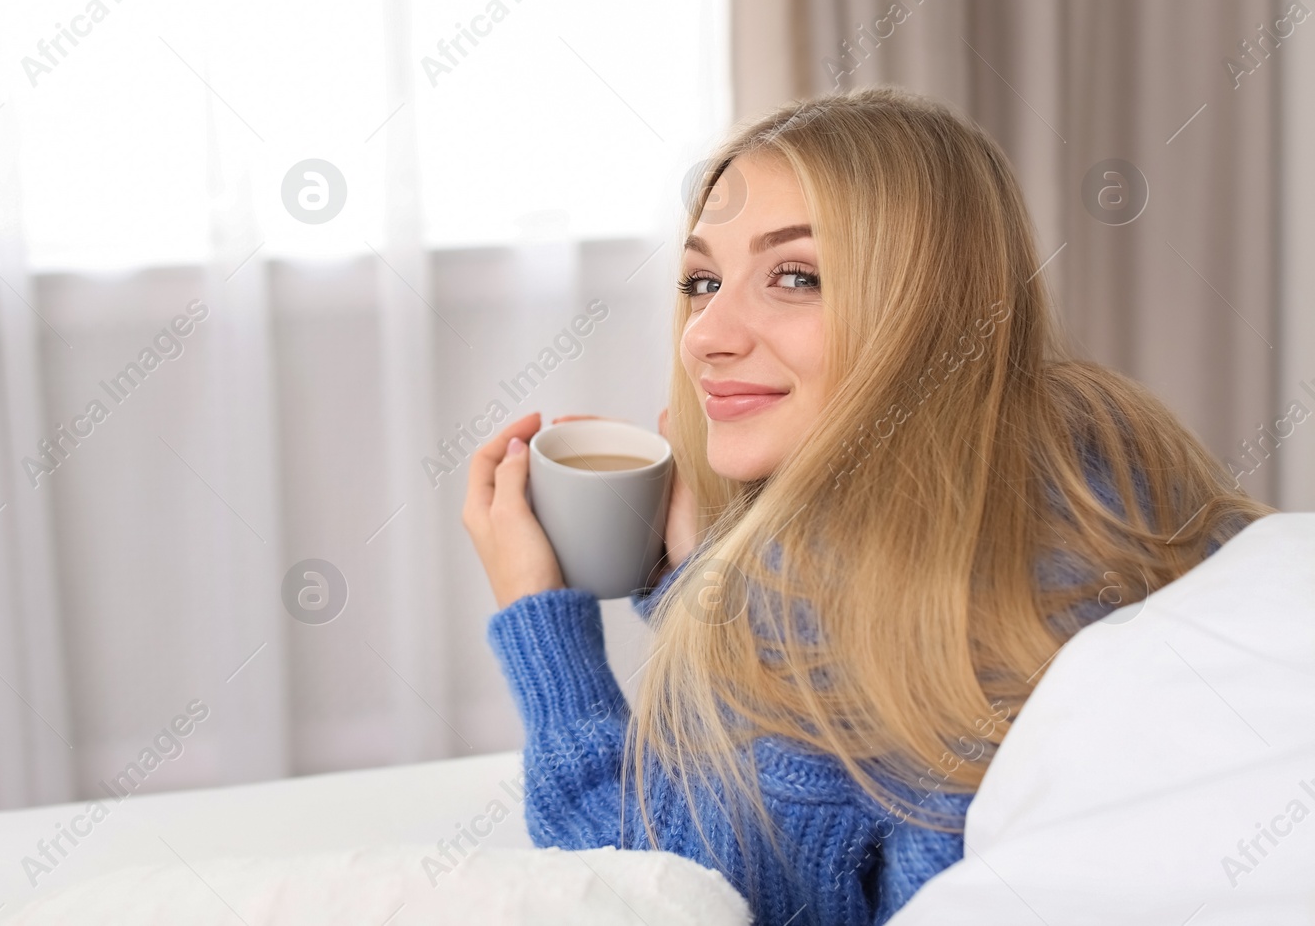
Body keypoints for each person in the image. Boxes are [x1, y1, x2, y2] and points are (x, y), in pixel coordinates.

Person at [459, 86, 1270, 926]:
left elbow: (658, 894)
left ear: (919, 307)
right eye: (702, 279)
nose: (705, 334)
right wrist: (708, 578)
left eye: (796, 276)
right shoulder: (1100, 470)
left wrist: (539, 620)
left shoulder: (836, 578)